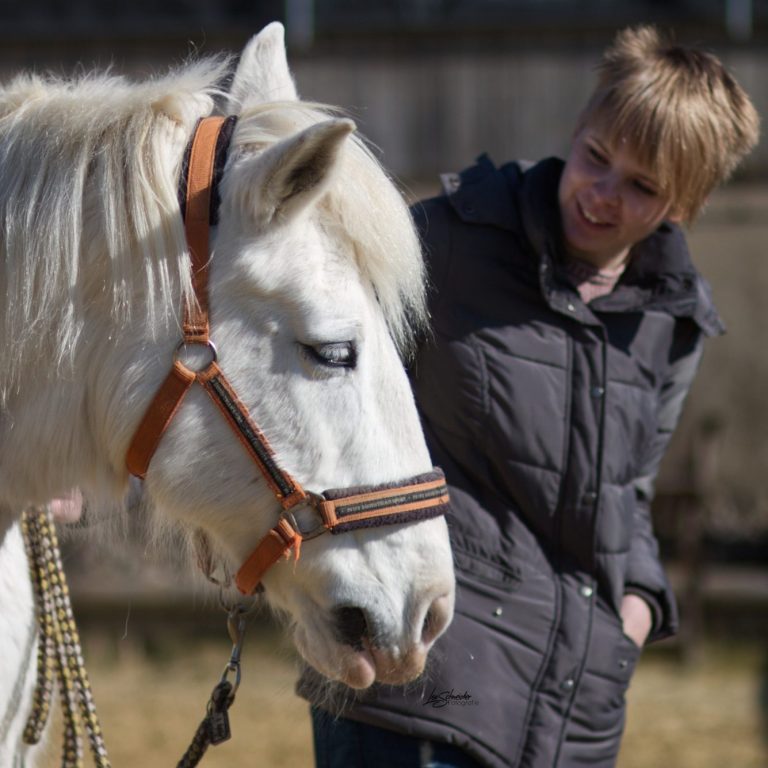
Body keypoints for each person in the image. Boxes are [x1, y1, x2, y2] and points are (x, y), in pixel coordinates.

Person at [302, 24, 760, 768]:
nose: (602, 195)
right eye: (597, 158)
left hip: (572, 715)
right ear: (576, 130)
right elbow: (303, 355)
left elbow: (629, 500)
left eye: (642, 186)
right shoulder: (444, 242)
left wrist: (631, 616)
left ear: (687, 203)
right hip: (421, 691)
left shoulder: (673, 319)